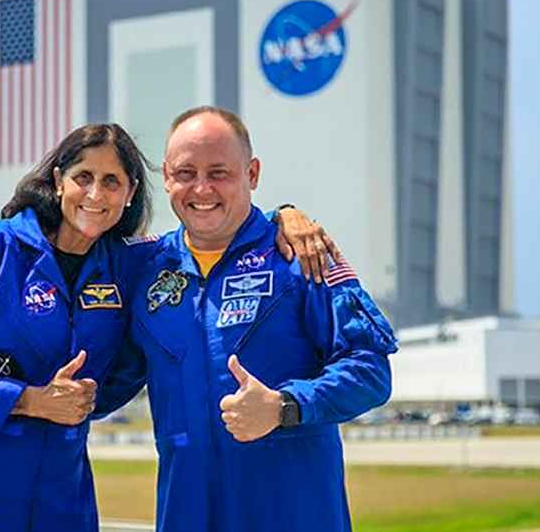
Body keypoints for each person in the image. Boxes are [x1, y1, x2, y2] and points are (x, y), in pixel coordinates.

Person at [0, 122, 333, 532]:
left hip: (61, 498)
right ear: (57, 180)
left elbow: (218, 227)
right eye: (83, 176)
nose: (95, 193)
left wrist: (284, 216)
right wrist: (29, 401)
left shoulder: (132, 263)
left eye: (111, 181)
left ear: (130, 194)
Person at [97, 107, 399, 532]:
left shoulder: (302, 256)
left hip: (294, 515)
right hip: (187, 514)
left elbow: (371, 371)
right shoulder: (144, 268)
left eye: (219, 172)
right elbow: (110, 380)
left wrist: (284, 406)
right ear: (165, 176)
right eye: (186, 173)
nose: (201, 189)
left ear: (252, 173)